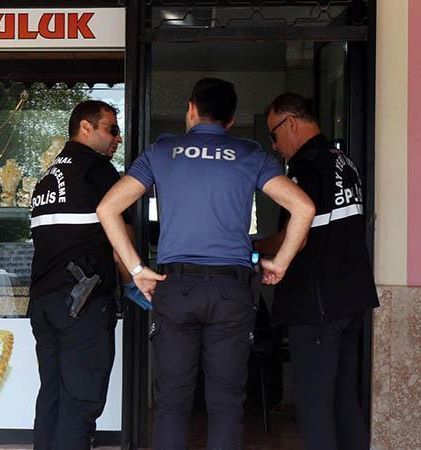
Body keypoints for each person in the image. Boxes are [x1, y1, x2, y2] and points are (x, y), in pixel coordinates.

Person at [96, 78, 316, 450]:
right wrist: (280, 262)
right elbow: (304, 207)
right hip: (231, 291)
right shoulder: (250, 154)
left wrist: (136, 269)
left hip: (176, 287)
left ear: (191, 109)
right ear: (230, 121)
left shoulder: (162, 151)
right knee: (227, 404)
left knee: (171, 403)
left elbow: (107, 208)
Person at [256, 93, 379, 450]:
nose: (275, 145)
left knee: (315, 409)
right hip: (351, 299)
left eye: (274, 135)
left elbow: (297, 234)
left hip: (318, 305)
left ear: (291, 123)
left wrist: (256, 245)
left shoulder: (306, 165)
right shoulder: (344, 160)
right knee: (343, 402)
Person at [29, 100, 130, 450]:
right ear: (86, 127)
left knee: (52, 395)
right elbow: (121, 241)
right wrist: (134, 281)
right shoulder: (98, 171)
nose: (118, 138)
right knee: (80, 401)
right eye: (112, 129)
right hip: (81, 303)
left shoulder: (48, 177)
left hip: (44, 303)